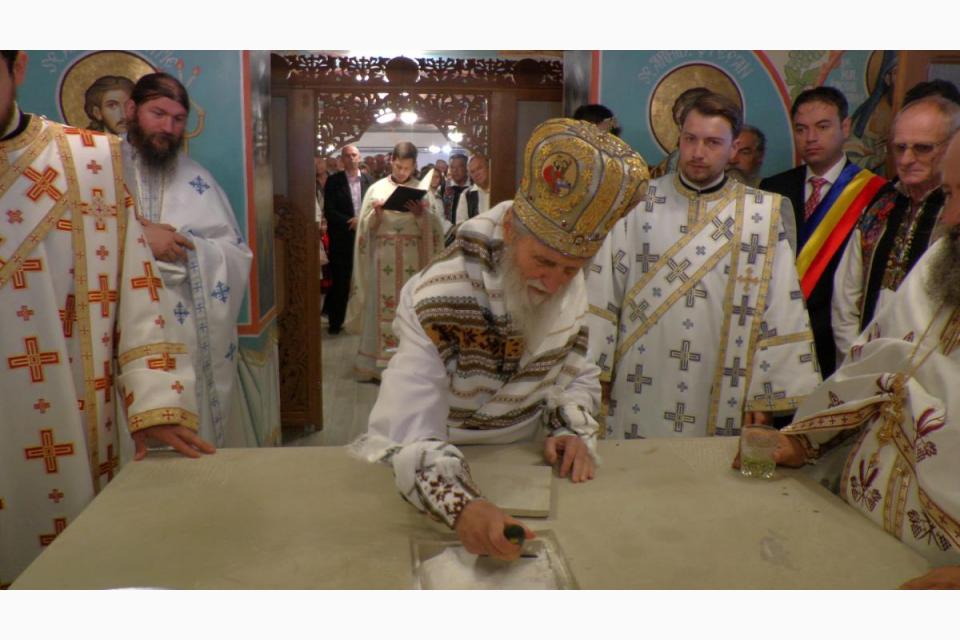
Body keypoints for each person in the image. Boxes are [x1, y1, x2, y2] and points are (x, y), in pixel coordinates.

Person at [351, 119, 648, 560]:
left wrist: (568, 427)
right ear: (510, 230)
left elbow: (574, 372)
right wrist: (461, 505)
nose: (554, 283)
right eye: (543, 262)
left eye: (572, 269)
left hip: (531, 463)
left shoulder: (566, 280)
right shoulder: (438, 294)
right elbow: (407, 427)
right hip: (440, 455)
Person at [0, 50, 213, 585]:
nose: (168, 126)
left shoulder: (88, 161)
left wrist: (155, 399)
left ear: (17, 67)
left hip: (61, 412)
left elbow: (135, 288)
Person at [748, 130, 960, 588]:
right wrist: (804, 442)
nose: (949, 217)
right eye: (948, 194)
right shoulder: (944, 257)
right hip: (859, 528)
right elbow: (876, 364)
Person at [586, 92, 821, 439]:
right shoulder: (636, 202)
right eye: (690, 139)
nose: (698, 152)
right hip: (640, 378)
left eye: (712, 142)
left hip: (723, 383)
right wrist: (596, 371)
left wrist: (765, 392)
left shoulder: (761, 214)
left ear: (733, 147)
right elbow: (603, 290)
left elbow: (781, 308)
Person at [121, 72, 253, 449]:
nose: (168, 127)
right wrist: (141, 239)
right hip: (120, 327)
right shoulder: (97, 169)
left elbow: (235, 253)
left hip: (185, 329)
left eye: (178, 119)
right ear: (131, 110)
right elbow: (77, 240)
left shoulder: (198, 179)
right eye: (158, 114)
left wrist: (188, 249)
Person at [760, 87, 886, 378]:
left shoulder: (875, 194)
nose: (811, 138)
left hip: (838, 342)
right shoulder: (772, 188)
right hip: (778, 337)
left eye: (822, 126)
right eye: (801, 129)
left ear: (845, 127)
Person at [832, 97, 960, 359]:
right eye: (899, 148)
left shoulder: (954, 214)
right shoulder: (880, 205)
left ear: (951, 147)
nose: (906, 159)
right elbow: (845, 295)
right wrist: (854, 357)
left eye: (922, 148)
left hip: (932, 363)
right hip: (864, 358)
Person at [345, 141, 444, 380]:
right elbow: (364, 231)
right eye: (398, 166)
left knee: (410, 310)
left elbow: (435, 231)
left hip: (413, 262)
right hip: (382, 260)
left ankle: (411, 365)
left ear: (414, 166)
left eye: (407, 168)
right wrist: (376, 215)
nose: (401, 172)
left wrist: (421, 215)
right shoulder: (376, 189)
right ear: (392, 161)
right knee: (379, 310)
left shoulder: (423, 192)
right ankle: (376, 366)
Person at [322, 145, 371, 335]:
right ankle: (336, 321)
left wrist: (362, 221)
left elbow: (374, 207)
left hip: (365, 236)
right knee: (341, 280)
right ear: (342, 159)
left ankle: (362, 319)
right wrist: (350, 221)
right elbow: (330, 209)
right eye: (347, 156)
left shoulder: (369, 180)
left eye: (354, 155)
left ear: (359, 157)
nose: (351, 158)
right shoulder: (334, 181)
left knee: (365, 278)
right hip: (342, 236)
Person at [649, 86, 711, 180]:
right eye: (678, 123)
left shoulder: (721, 158)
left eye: (685, 121)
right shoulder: (673, 159)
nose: (681, 129)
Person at [443, 152, 470, 224]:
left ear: (467, 168)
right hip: (448, 229)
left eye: (459, 167)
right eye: (452, 167)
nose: (455, 170)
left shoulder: (474, 186)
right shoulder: (444, 187)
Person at [464, 153, 492, 219]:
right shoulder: (466, 195)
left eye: (479, 168)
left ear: (488, 167)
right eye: (472, 172)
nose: (476, 174)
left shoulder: (501, 189)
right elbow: (461, 222)